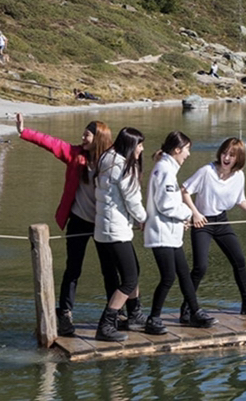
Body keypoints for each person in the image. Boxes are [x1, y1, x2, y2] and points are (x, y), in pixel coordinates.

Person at [15, 113, 117, 337]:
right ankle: (66, 314)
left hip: (103, 222)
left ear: (99, 138)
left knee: (109, 269)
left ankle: (115, 312)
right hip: (79, 220)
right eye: (83, 133)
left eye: (87, 135)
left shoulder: (110, 162)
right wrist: (24, 131)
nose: (82, 137)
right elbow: (51, 143)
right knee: (73, 268)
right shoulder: (75, 155)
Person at [181, 137, 246, 320]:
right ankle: (187, 308)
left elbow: (241, 200)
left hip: (221, 221)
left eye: (231, 155)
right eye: (224, 153)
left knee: (239, 260)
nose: (226, 158)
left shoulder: (239, 176)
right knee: (200, 267)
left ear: (238, 158)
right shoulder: (206, 171)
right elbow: (184, 191)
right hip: (203, 222)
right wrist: (194, 213)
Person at [143, 131, 215, 335]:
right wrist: (188, 214)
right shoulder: (165, 170)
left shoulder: (167, 168)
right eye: (187, 150)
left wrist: (181, 218)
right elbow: (166, 205)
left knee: (183, 274)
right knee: (168, 277)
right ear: (177, 150)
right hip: (161, 233)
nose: (188, 154)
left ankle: (195, 312)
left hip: (171, 233)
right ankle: (153, 319)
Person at [93, 127, 148, 342]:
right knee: (129, 278)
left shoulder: (106, 158)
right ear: (130, 145)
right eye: (139, 145)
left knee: (130, 270)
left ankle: (134, 315)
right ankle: (106, 324)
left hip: (102, 230)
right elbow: (132, 199)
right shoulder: (124, 167)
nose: (141, 149)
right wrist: (144, 219)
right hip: (116, 231)